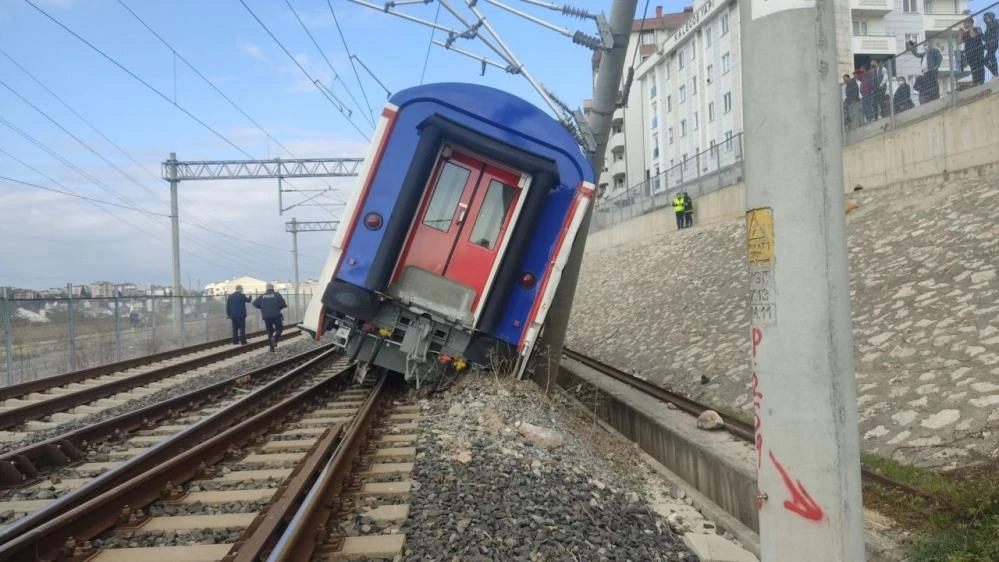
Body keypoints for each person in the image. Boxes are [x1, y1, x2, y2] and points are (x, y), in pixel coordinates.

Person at [253, 283, 287, 352]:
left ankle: (271, 348)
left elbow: (254, 303)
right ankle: (274, 338)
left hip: (266, 316)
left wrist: (263, 308)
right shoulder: (276, 294)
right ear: (273, 288)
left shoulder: (262, 296)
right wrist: (278, 308)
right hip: (276, 315)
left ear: (266, 288)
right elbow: (283, 304)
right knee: (279, 329)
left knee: (270, 332)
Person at [959, 17, 986, 86]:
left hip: (978, 52)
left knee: (979, 67)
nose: (964, 25)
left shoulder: (977, 29)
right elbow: (960, 41)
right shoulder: (965, 33)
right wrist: (961, 33)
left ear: (970, 23)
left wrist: (971, 27)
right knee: (973, 68)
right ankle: (975, 82)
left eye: (965, 23)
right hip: (969, 54)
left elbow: (973, 36)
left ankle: (981, 81)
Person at [984, 12, 998, 79]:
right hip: (989, 45)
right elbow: (985, 38)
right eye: (984, 19)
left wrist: (994, 39)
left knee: (990, 57)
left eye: (986, 18)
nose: (985, 20)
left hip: (994, 43)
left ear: (991, 17)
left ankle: (996, 74)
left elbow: (997, 33)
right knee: (987, 60)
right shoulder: (988, 27)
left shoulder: (995, 23)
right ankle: (995, 74)